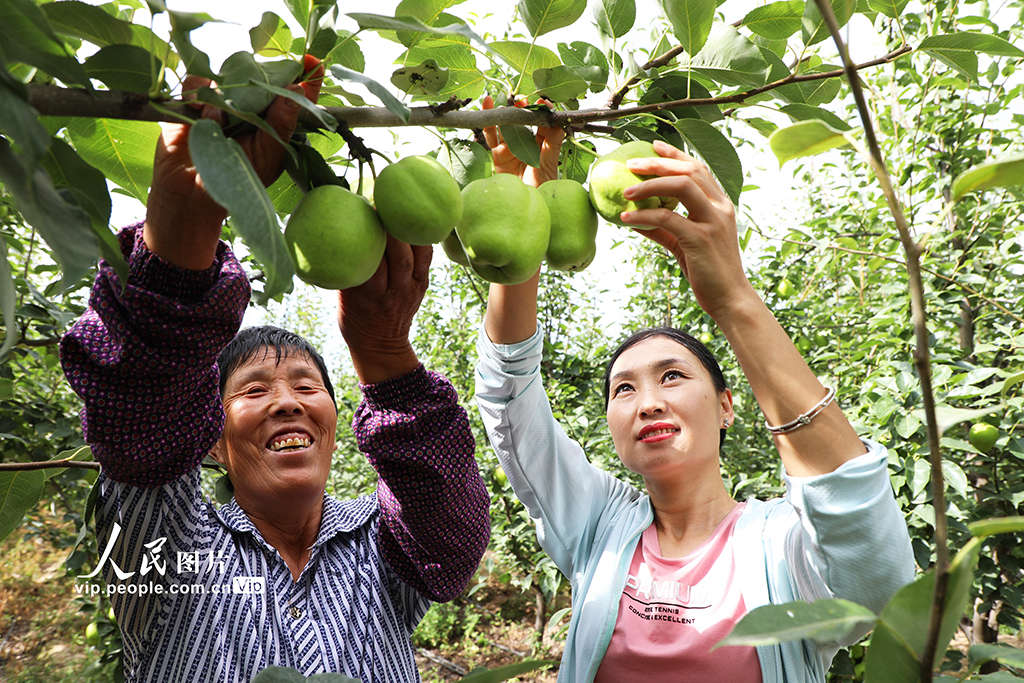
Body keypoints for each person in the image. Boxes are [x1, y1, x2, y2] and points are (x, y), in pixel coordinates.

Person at [60, 63, 490, 683]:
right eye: (254, 390)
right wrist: (182, 242)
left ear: (338, 423)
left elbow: (450, 537)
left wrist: (387, 356)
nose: (287, 402)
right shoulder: (168, 550)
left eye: (307, 386)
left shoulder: (380, 545)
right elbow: (141, 426)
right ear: (212, 436)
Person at [472, 101, 915, 682]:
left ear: (728, 405)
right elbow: (510, 399)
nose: (647, 401)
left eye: (673, 376)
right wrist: (522, 207)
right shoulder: (597, 527)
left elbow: (874, 577)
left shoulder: (783, 548)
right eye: (622, 389)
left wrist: (734, 298)